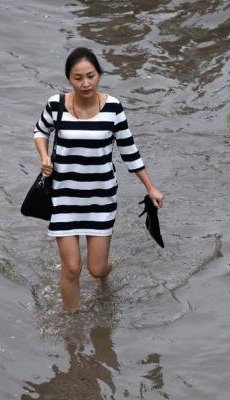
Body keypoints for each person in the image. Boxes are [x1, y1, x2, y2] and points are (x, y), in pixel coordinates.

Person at [32, 47, 164, 313]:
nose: (85, 83)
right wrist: (44, 156)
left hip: (101, 197)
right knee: (71, 268)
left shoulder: (113, 107)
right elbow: (40, 130)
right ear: (69, 78)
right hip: (64, 195)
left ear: (99, 75)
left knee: (96, 269)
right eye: (78, 77)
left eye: (90, 76)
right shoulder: (56, 104)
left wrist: (150, 187)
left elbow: (129, 151)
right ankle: (73, 330)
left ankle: (106, 271)